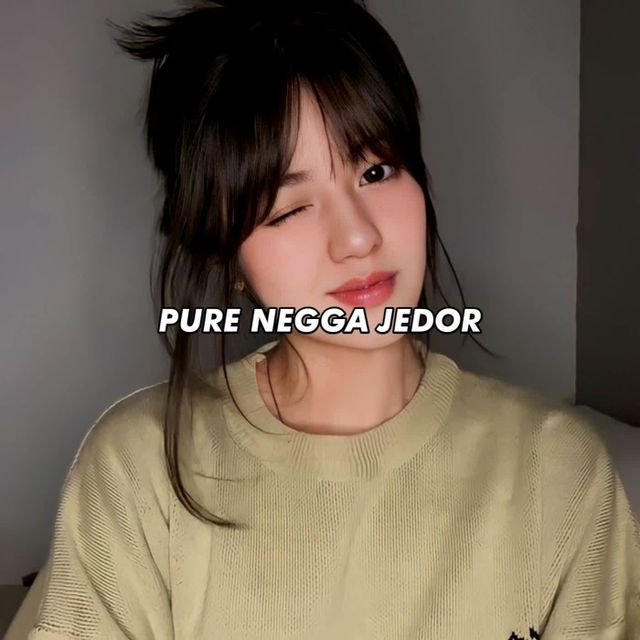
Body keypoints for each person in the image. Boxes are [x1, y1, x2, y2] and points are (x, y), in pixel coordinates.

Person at [7, 1, 640, 638]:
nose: (358, 238)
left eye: (376, 171)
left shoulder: (560, 471)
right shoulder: (137, 471)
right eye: (288, 209)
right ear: (225, 250)